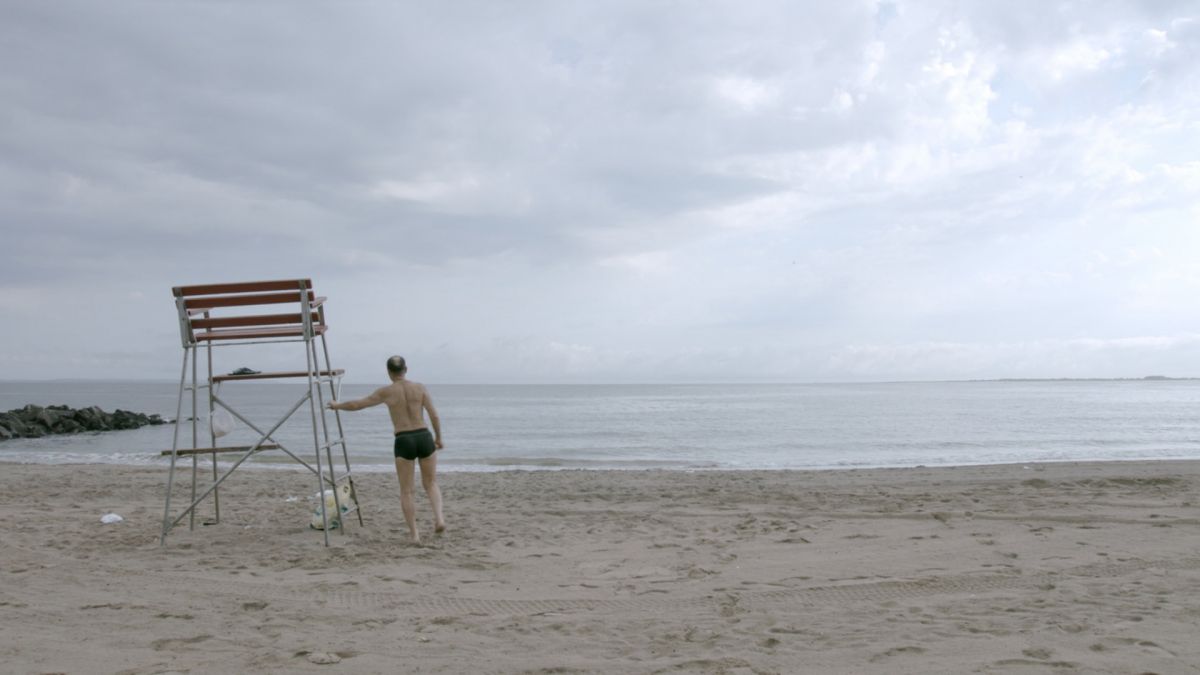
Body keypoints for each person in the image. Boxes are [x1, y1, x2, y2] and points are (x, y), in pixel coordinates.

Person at [328, 355, 445, 543]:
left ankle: (415, 535)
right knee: (430, 483)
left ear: (389, 372)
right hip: (424, 436)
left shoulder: (386, 392)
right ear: (405, 370)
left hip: (404, 439)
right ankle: (439, 519)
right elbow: (435, 416)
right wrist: (438, 437)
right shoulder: (420, 388)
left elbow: (358, 404)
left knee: (406, 491)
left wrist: (337, 406)